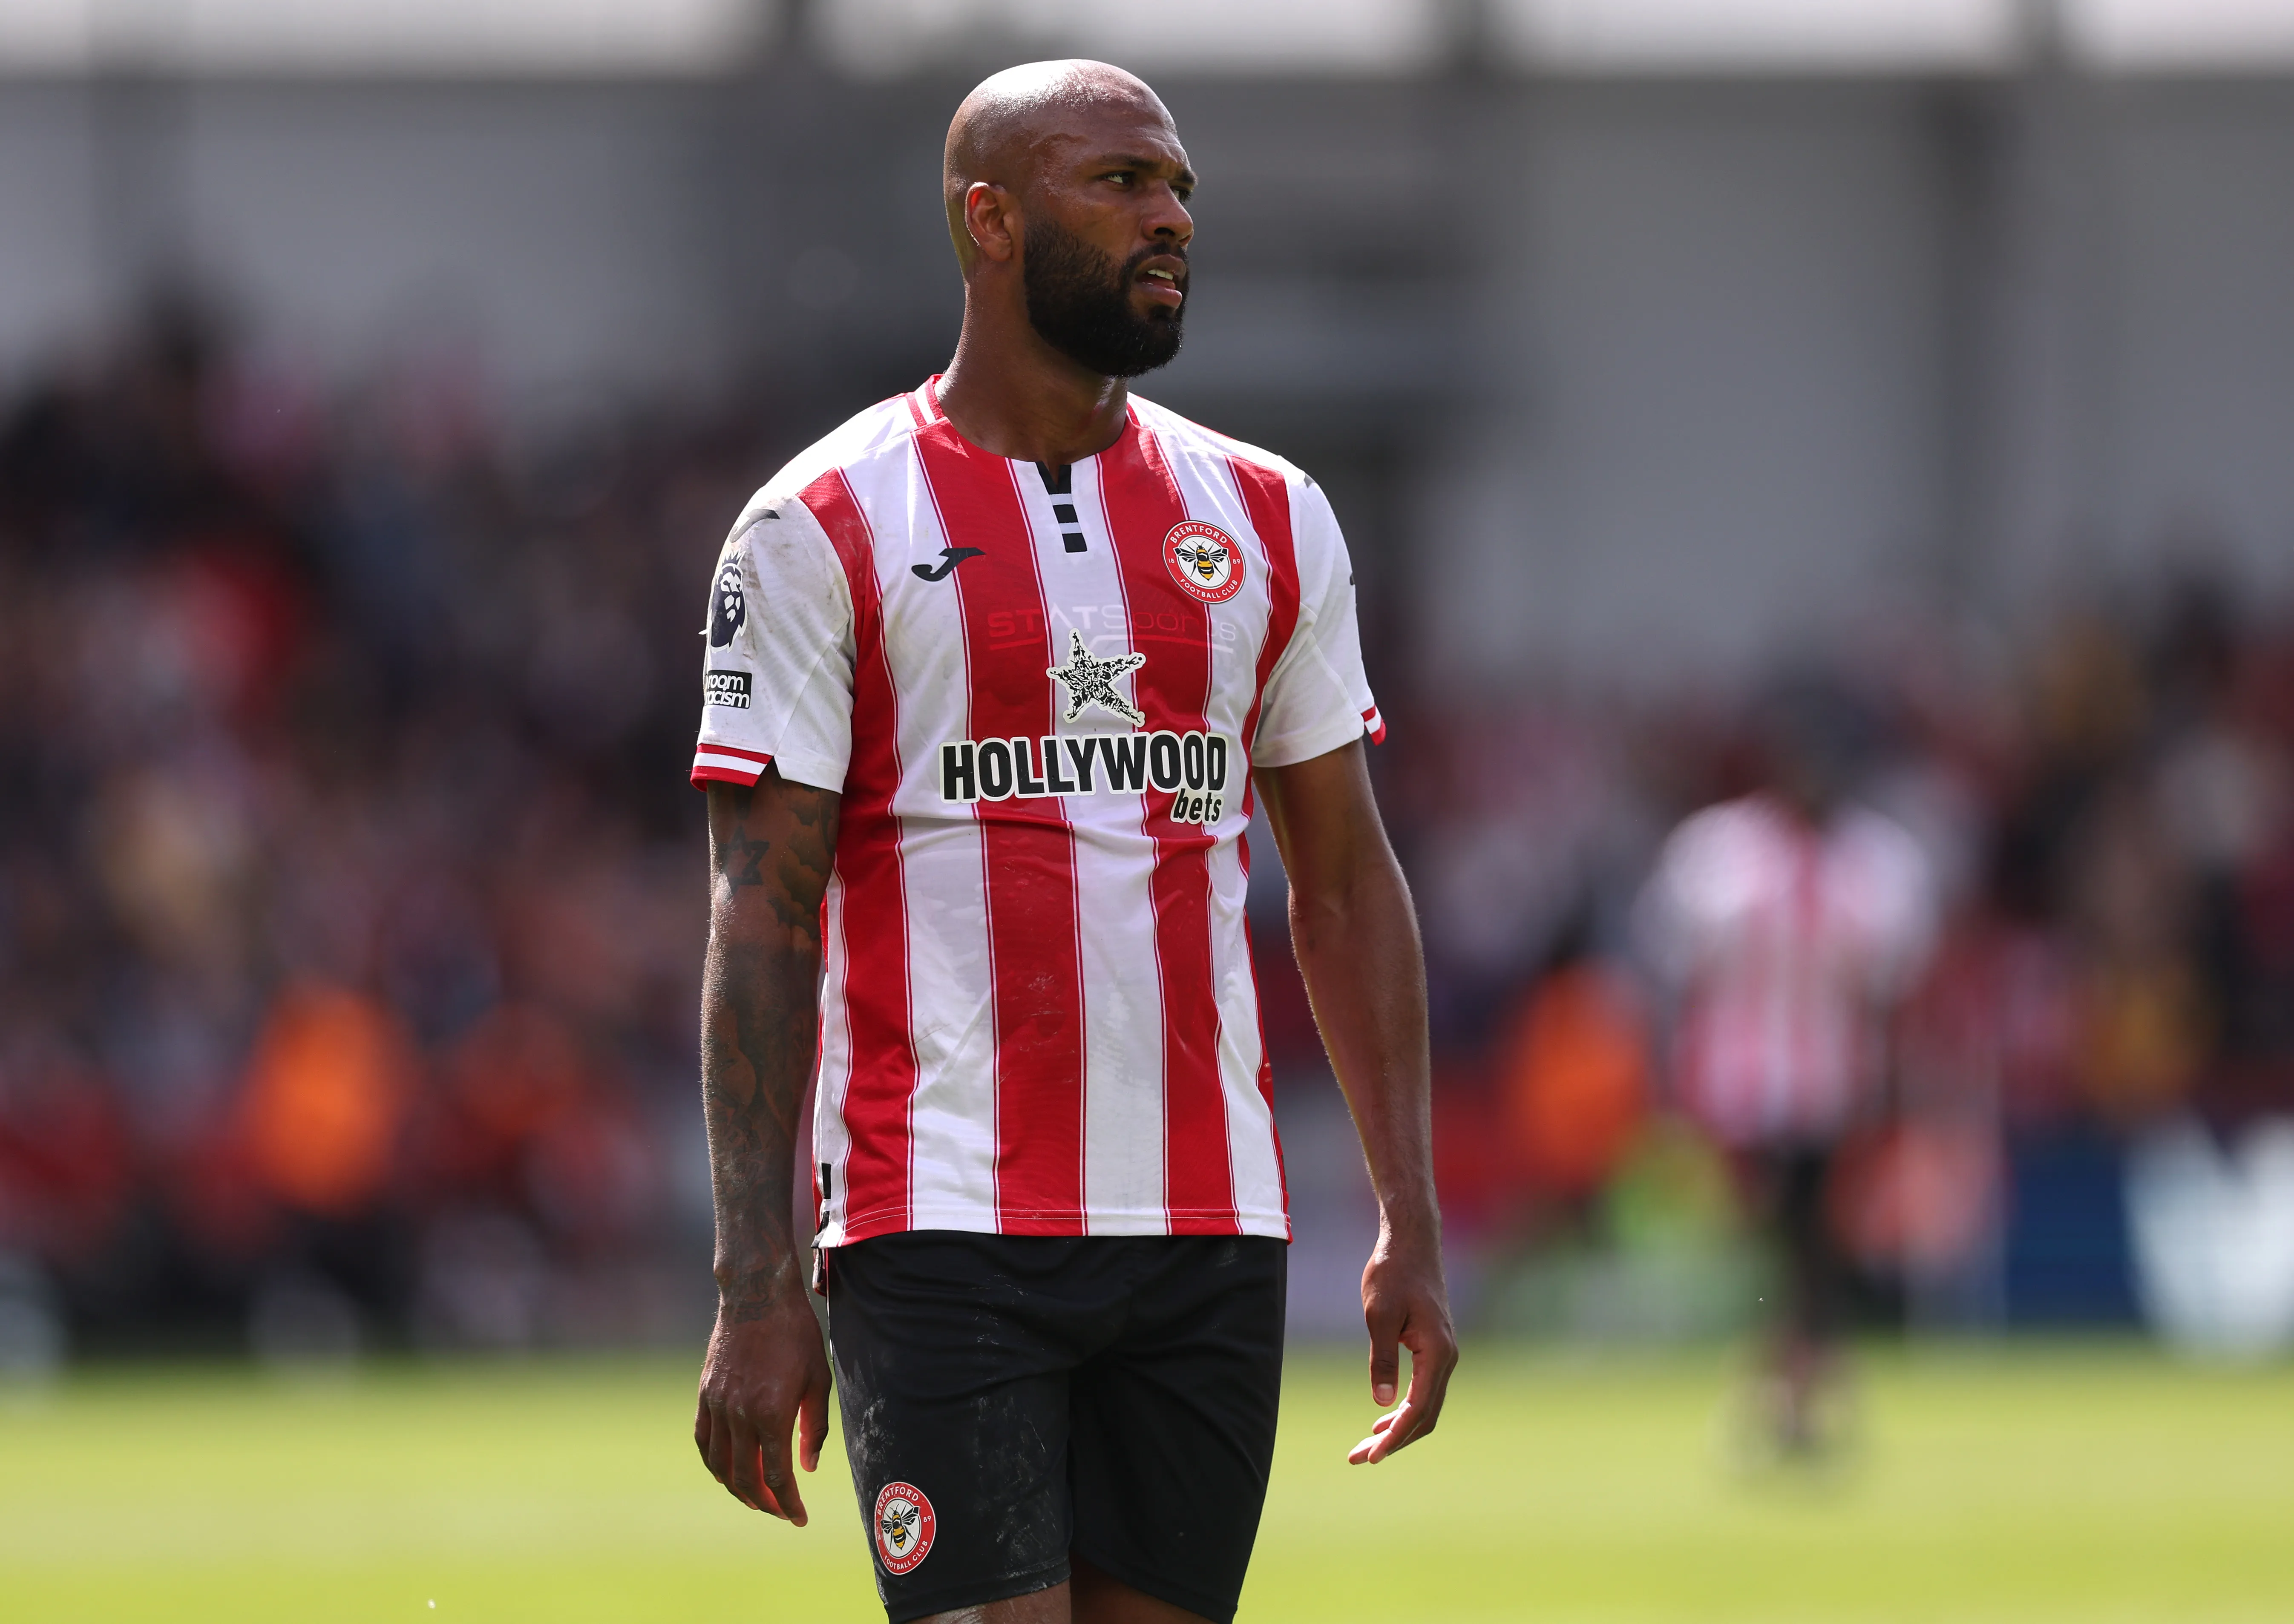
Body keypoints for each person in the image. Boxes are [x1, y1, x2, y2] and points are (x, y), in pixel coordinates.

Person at [686, 60, 1456, 1624]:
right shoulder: (818, 524)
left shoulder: (1269, 514)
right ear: (989, 221)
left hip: (1209, 1233)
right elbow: (760, 916)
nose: (1170, 217)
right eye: (1119, 183)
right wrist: (756, 1276)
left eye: (1178, 187)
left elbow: (1343, 884)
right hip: (939, 1223)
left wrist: (1410, 1214)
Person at [1639, 684, 1936, 1455]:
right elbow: (1674, 965)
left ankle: (1793, 1388)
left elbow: (1896, 981)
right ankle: (1787, 1384)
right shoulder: (1723, 855)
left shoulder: (1873, 863)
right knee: (1770, 1245)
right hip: (1736, 1089)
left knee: (1811, 1244)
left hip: (1831, 1087)